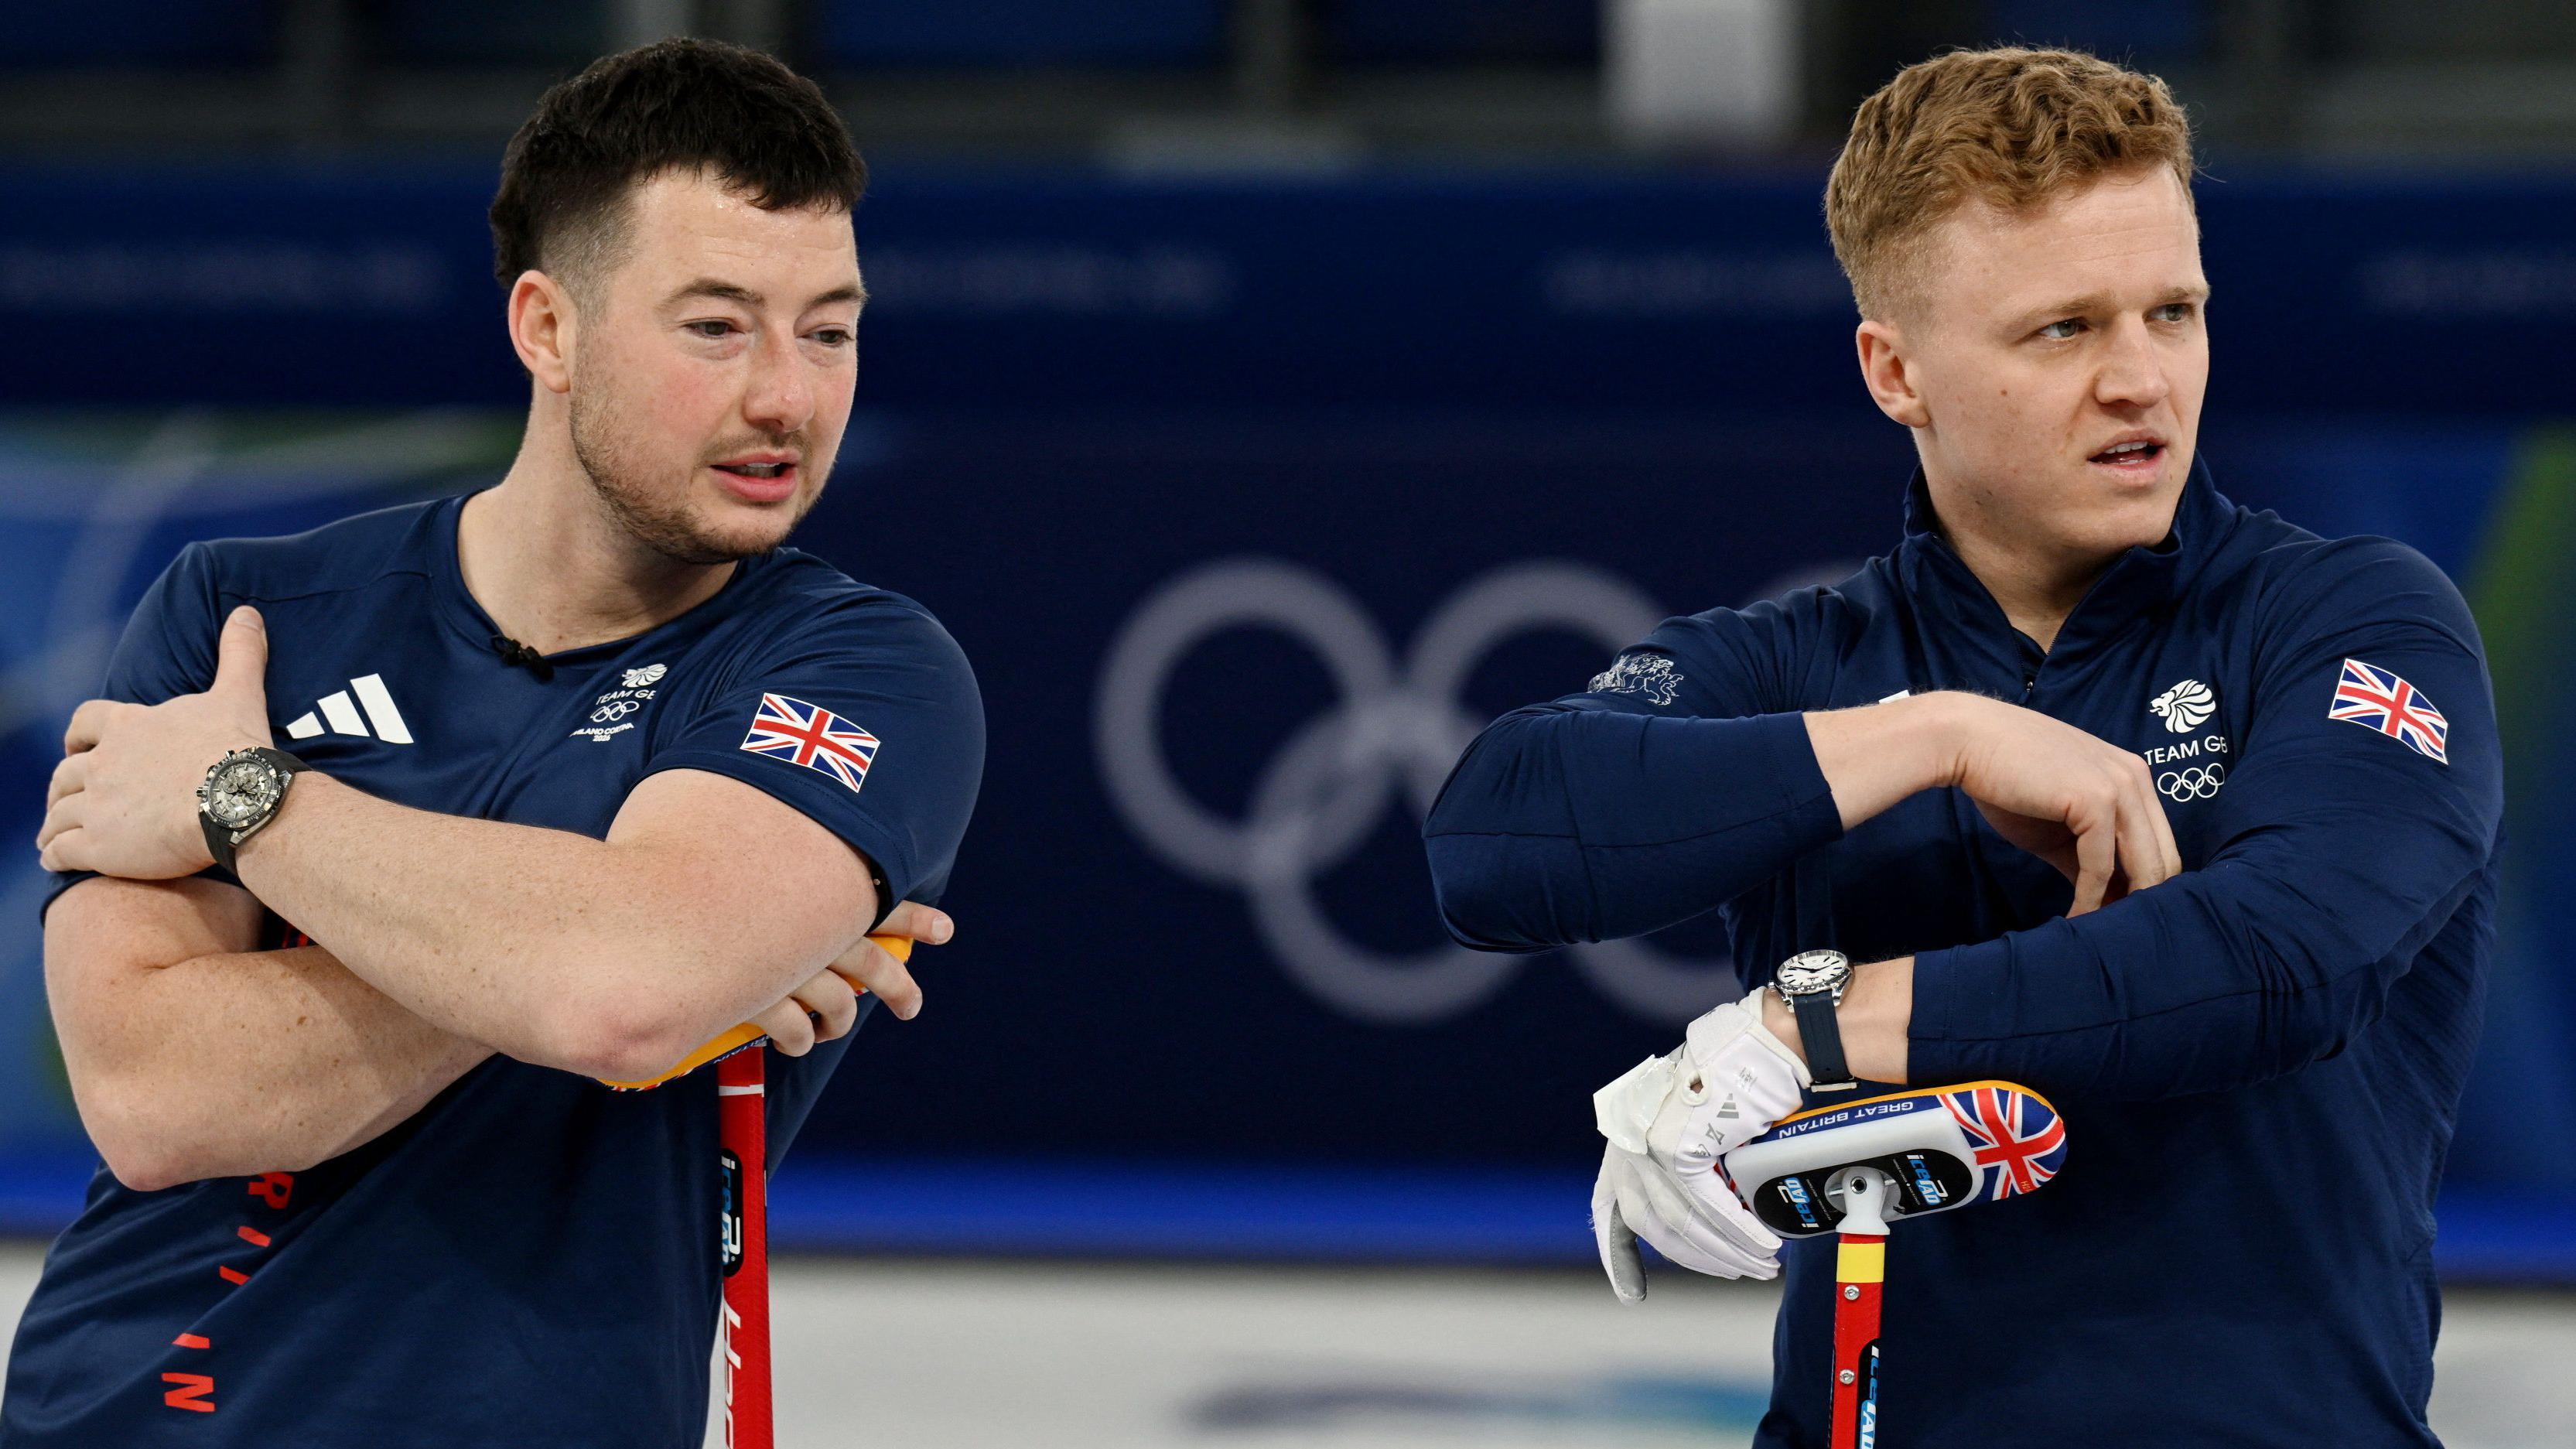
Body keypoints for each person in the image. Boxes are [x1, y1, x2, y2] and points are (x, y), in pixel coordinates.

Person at [1423, 46, 2498, 1449]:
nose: (2139, 380)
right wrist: (1932, 734)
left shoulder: (2349, 614)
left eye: (2172, 311)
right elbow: (1495, 835)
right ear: (1895, 372)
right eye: (2061, 330)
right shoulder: (1805, 665)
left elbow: (2291, 956)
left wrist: (1807, 1024)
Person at [21, 39, 983, 1446]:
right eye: (716, 326)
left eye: (827, 329)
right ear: (549, 328)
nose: (786, 396)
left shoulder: (864, 665)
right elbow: (155, 1095)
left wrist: (251, 803)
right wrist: (633, 933)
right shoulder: (240, 615)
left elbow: (628, 995)